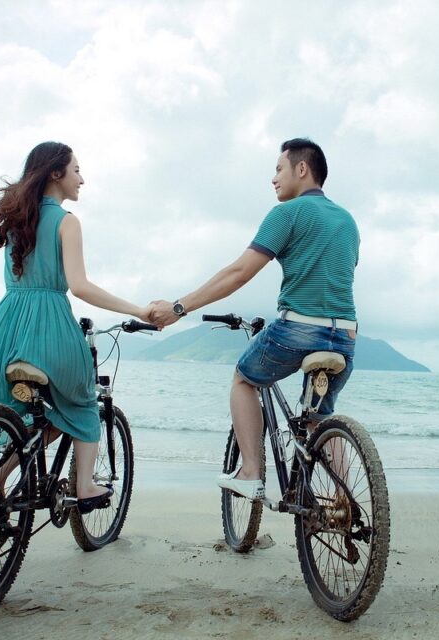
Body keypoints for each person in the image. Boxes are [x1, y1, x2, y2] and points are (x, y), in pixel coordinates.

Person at [0, 141, 154, 514]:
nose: (82, 179)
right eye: (77, 170)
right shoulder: (67, 221)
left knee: (39, 412)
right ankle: (84, 485)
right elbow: (80, 286)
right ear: (57, 173)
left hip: (7, 326)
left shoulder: (17, 220)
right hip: (50, 324)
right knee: (82, 402)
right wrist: (139, 310)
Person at [150, 138, 359, 500]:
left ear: (302, 169)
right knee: (319, 419)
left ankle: (250, 473)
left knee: (244, 379)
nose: (273, 178)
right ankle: (346, 499)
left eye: (279, 169)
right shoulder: (347, 221)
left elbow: (238, 274)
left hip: (297, 331)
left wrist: (179, 307)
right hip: (345, 337)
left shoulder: (286, 214)